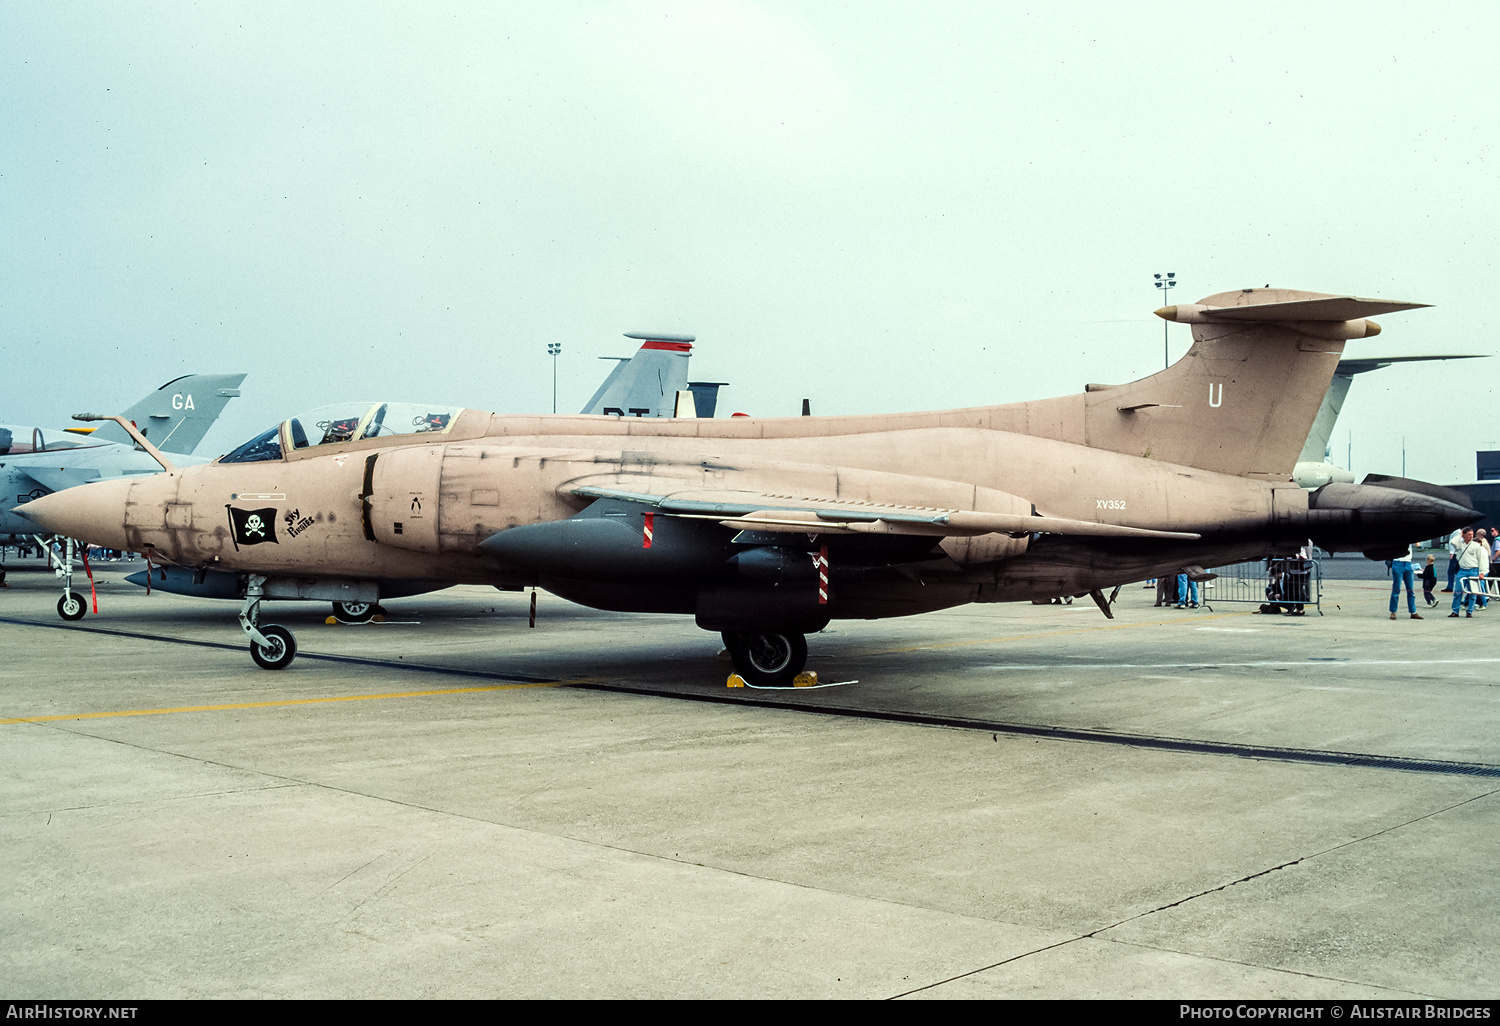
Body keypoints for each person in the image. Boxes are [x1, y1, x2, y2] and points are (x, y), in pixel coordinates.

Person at [1450, 528, 1490, 617]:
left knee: (1473, 592)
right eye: (1469, 534)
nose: (1471, 536)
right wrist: (1460, 535)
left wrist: (1482, 572)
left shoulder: (1476, 546)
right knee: (1458, 591)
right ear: (1464, 535)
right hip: (1462, 570)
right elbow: (1452, 542)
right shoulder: (1459, 544)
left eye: (1472, 534)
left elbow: (1481, 559)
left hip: (1474, 570)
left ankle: (1470, 611)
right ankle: (1455, 611)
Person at [1389, 545, 1421, 619]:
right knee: (1396, 589)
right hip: (1398, 561)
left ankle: (1413, 611)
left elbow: (1418, 544)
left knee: (1410, 589)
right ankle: (1393, 611)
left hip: (1408, 562)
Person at [1444, 528, 1463, 592]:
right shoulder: (1457, 531)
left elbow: (1454, 542)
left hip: (1455, 553)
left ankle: (1450, 586)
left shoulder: (1456, 531)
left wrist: (1452, 552)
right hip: (1456, 553)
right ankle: (1459, 586)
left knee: (1451, 571)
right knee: (1456, 570)